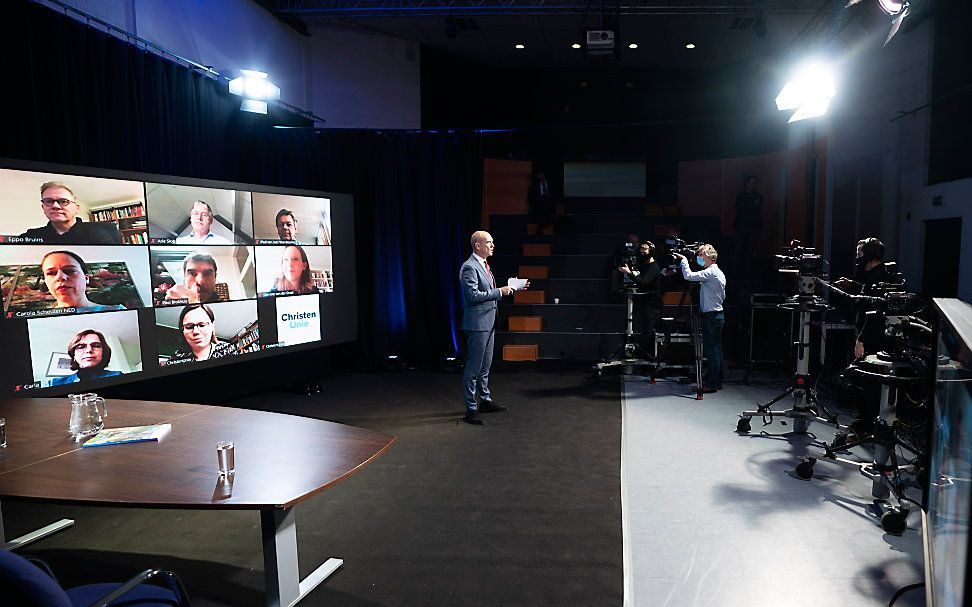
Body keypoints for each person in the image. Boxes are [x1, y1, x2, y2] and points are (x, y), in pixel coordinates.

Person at [459, 230, 527, 425]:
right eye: (489, 242)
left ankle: (485, 401)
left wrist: (514, 287)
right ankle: (471, 408)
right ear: (477, 245)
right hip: (477, 324)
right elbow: (473, 296)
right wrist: (500, 291)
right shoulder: (469, 267)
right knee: (473, 368)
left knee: (485, 366)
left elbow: (487, 291)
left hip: (488, 323)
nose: (492, 245)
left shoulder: (484, 265)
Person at [673, 244, 726, 393]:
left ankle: (713, 383)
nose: (699, 258)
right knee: (716, 349)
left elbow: (688, 276)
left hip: (712, 316)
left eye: (701, 255)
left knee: (712, 350)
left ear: (709, 256)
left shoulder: (711, 272)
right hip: (716, 314)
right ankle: (716, 380)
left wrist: (684, 260)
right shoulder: (716, 272)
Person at [20, 181, 118, 244]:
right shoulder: (31, 236)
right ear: (43, 207)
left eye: (63, 201)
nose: (55, 206)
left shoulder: (97, 234)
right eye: (49, 201)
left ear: (76, 208)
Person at [41, 251, 126, 313]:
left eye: (70, 270)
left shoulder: (118, 311)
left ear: (86, 278)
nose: (60, 277)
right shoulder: (39, 320)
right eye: (51, 273)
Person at [618, 240, 663, 357]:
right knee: (642, 329)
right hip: (644, 300)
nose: (642, 251)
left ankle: (647, 357)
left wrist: (629, 273)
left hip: (653, 303)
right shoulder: (643, 264)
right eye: (641, 249)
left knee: (648, 331)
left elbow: (643, 282)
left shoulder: (654, 267)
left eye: (645, 249)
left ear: (651, 251)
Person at [49, 329, 124, 386]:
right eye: (81, 347)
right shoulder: (54, 383)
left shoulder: (118, 376)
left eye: (96, 346)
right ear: (74, 355)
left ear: (103, 353)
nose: (89, 350)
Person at [169, 303, 236, 362]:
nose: (196, 332)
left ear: (212, 326)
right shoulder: (175, 360)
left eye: (202, 325)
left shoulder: (227, 350)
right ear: (182, 330)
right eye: (189, 327)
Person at [732, 175, 764, 274]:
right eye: (752, 183)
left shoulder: (759, 196)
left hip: (753, 226)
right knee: (738, 249)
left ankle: (747, 272)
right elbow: (738, 207)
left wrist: (746, 205)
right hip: (742, 225)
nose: (753, 185)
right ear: (746, 184)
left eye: (755, 183)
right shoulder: (741, 196)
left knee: (750, 251)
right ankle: (735, 271)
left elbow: (755, 208)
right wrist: (752, 205)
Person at [527, 171, 556, 235]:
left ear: (544, 175)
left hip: (549, 204)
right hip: (539, 205)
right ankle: (541, 228)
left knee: (547, 206)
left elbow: (555, 196)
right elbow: (530, 200)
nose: (540, 176)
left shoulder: (551, 184)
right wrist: (538, 197)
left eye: (541, 174)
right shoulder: (533, 186)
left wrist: (549, 195)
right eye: (539, 175)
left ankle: (540, 228)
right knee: (540, 208)